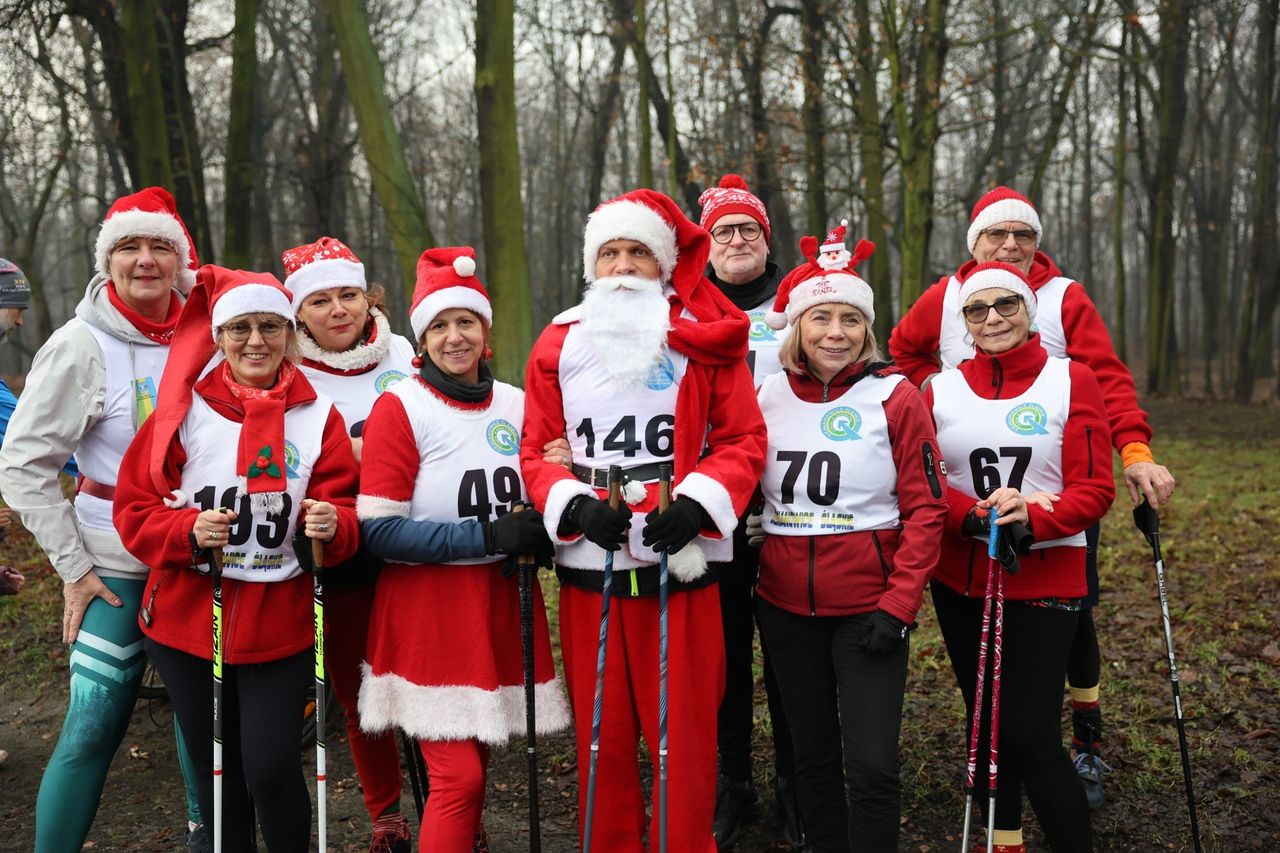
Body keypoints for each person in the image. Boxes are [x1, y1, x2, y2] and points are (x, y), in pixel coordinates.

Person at [888, 186, 1176, 804]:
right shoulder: (945, 296)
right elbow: (901, 351)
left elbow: (1107, 378)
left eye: (1024, 234)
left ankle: (1084, 741)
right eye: (997, 234)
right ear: (975, 243)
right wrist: (942, 392)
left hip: (1055, 483)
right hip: (969, 485)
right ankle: (993, 746)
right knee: (974, 621)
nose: (1011, 244)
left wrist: (1134, 450)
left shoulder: (1062, 295)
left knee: (1071, 618)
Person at [520, 189, 767, 852]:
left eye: (638, 252)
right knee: (602, 735)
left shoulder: (700, 338)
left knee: (683, 737)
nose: (624, 266)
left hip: (679, 565)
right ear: (591, 265)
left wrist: (699, 502)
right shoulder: (559, 340)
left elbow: (743, 437)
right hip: (592, 567)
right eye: (610, 253)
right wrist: (572, 502)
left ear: (662, 264)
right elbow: (534, 447)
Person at [113, 266, 360, 851]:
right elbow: (134, 510)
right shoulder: (182, 412)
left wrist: (333, 525)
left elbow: (346, 508)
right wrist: (188, 529)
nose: (255, 342)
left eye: (270, 327)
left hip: (281, 621)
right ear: (219, 336)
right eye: (240, 328)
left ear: (290, 334)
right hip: (191, 619)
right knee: (216, 772)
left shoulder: (318, 415)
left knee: (271, 769)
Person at [0, 189, 208, 852]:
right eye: (129, 247)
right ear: (107, 259)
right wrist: (74, 566)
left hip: (204, 561)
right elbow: (23, 464)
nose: (145, 260)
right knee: (92, 728)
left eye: (160, 246)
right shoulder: (78, 345)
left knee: (208, 731)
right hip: (115, 564)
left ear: (180, 258)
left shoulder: (214, 330)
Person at [356, 247, 570, 852]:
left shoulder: (516, 403)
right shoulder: (401, 406)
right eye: (440, 326)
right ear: (422, 340)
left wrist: (556, 481)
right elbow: (379, 532)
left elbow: (539, 492)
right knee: (459, 780)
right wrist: (488, 536)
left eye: (466, 322)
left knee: (476, 767)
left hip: (495, 604)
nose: (455, 337)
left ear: (485, 332)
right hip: (427, 612)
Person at [749, 230, 946, 852]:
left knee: (873, 766)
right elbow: (735, 473)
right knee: (810, 759)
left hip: (870, 610)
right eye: (821, 318)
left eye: (851, 320)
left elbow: (927, 509)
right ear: (797, 326)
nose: (836, 333)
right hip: (784, 609)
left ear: (867, 329)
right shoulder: (765, 395)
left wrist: (900, 605)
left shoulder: (896, 396)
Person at [926, 262, 1115, 853]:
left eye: (1006, 304)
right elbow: (926, 484)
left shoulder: (1071, 379)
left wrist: (1032, 516)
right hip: (962, 579)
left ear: (1029, 311)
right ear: (964, 321)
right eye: (977, 309)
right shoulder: (938, 388)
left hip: (1044, 577)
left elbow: (1094, 489)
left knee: (1031, 736)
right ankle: (1005, 842)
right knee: (986, 730)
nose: (992, 319)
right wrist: (970, 514)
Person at [284, 235, 416, 852]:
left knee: (428, 679)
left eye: (348, 295)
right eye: (319, 301)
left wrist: (372, 452)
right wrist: (361, 454)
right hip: (338, 547)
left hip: (414, 537)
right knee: (361, 693)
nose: (338, 310)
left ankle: (455, 806)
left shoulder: (405, 352)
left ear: (369, 299)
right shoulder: (289, 371)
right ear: (298, 314)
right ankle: (386, 816)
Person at [696, 173, 802, 849]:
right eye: (723, 231)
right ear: (706, 245)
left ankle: (797, 781)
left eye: (748, 230)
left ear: (767, 239)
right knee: (724, 652)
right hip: (715, 502)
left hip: (796, 502)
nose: (737, 241)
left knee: (791, 654)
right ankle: (733, 780)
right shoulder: (686, 304)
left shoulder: (801, 300)